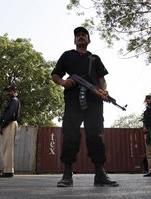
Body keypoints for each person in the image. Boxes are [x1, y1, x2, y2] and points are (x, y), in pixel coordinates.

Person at [51, 26, 119, 187]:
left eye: (84, 35)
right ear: (74, 40)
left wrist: (103, 92)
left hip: (94, 100)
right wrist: (63, 82)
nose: (81, 37)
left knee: (96, 135)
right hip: (73, 100)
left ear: (89, 40)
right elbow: (55, 74)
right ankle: (67, 173)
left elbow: (102, 78)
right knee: (71, 135)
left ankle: (100, 173)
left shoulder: (95, 58)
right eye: (78, 35)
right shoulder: (67, 56)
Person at [0, 85, 20, 178]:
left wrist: (2, 125)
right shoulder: (11, 101)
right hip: (9, 124)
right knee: (6, 147)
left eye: (10, 91)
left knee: (8, 148)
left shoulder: (14, 100)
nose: (8, 93)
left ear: (14, 92)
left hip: (10, 124)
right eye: (7, 91)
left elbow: (10, 114)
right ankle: (7, 169)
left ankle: (8, 171)